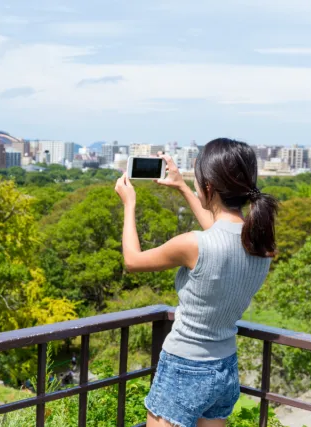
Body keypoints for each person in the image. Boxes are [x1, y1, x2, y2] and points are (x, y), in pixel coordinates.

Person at [114, 139, 278, 427]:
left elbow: (133, 260)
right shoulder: (260, 245)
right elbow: (221, 230)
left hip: (184, 365)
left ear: (210, 187)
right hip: (225, 365)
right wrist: (181, 187)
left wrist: (130, 204)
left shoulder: (194, 244)